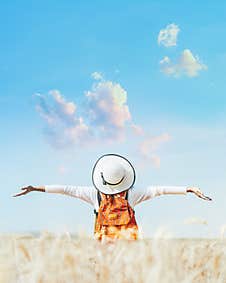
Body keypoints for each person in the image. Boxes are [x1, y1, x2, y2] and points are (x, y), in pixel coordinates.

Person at [13, 153, 212, 241]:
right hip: (129, 242)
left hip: (102, 242)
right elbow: (160, 190)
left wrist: (36, 188)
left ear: (101, 179)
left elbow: (66, 189)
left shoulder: (94, 194)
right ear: (125, 178)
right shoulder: (133, 194)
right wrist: (188, 189)